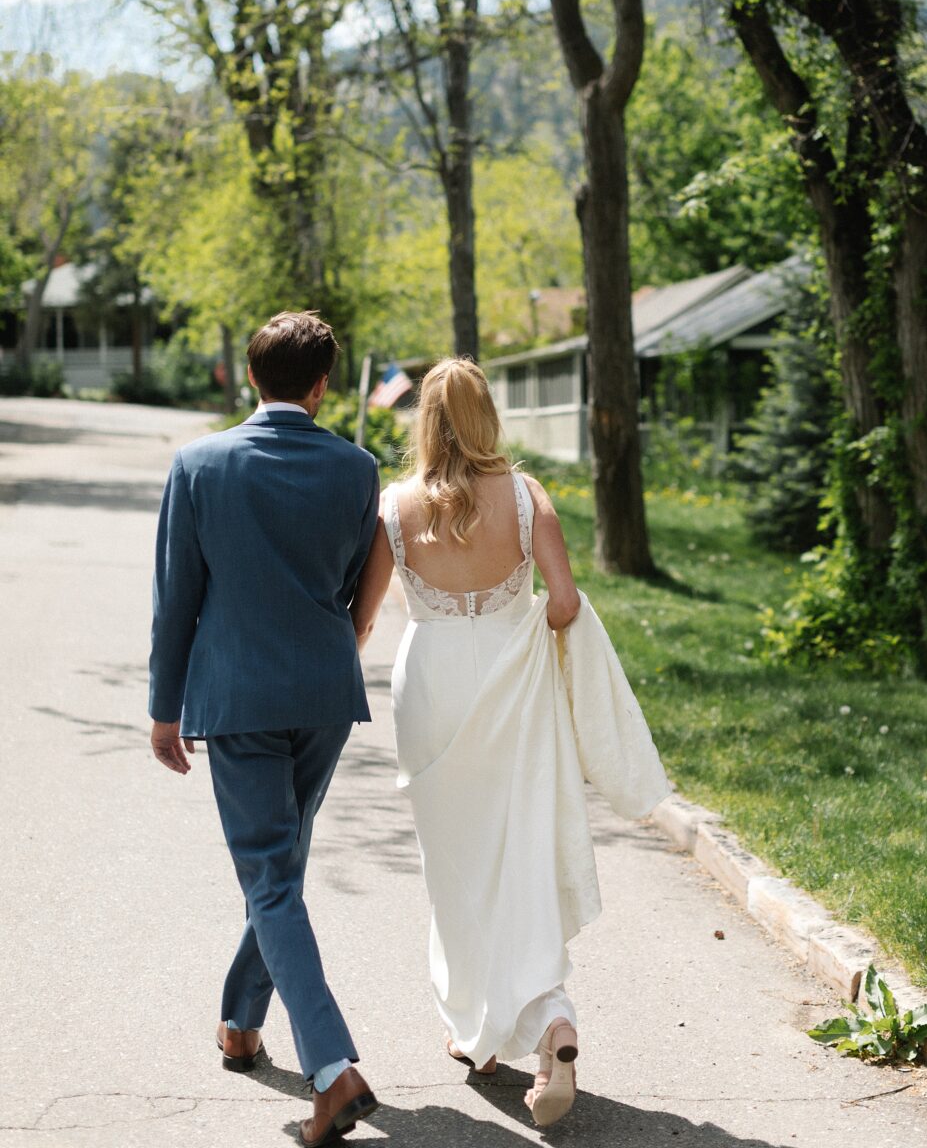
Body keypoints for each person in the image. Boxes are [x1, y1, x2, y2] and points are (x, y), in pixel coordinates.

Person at [351, 357, 670, 1128]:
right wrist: (520, 628)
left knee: (454, 867)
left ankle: (481, 1037)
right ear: (488, 415)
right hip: (510, 687)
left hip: (430, 691)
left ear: (423, 422)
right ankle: (548, 1022)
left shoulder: (393, 506)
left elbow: (360, 623)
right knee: (518, 856)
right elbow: (561, 603)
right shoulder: (526, 498)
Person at [148, 311, 381, 1148]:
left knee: (270, 880)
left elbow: (178, 597)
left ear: (253, 376)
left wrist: (163, 708)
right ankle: (241, 1025)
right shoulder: (357, 469)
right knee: (278, 870)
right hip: (323, 692)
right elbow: (355, 579)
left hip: (237, 695)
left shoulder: (199, 463)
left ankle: (331, 1067)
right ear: (321, 385)